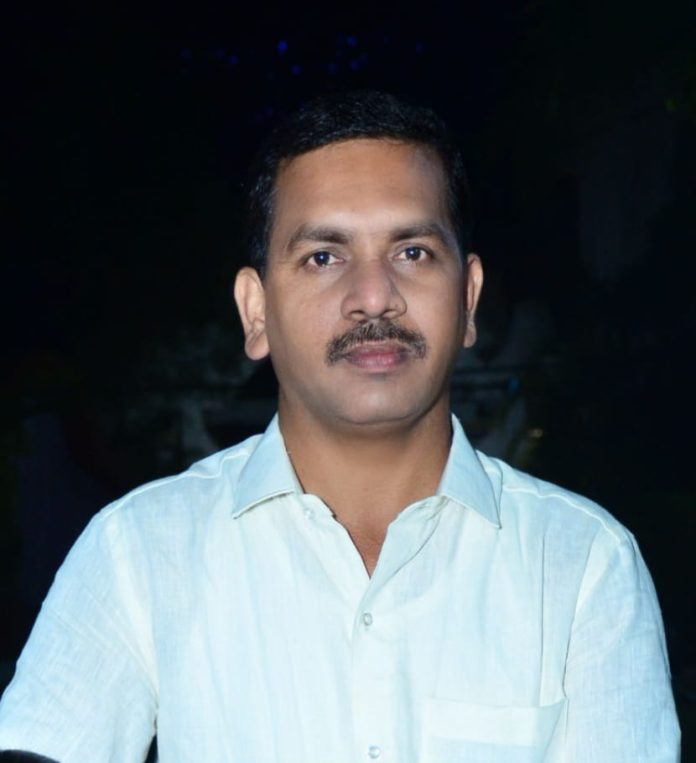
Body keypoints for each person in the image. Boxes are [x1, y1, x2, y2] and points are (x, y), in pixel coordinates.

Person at [0, 90, 680, 762]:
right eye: (323, 257)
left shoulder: (582, 565)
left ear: (468, 299)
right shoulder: (142, 552)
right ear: (256, 311)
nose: (374, 297)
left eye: (412, 252)